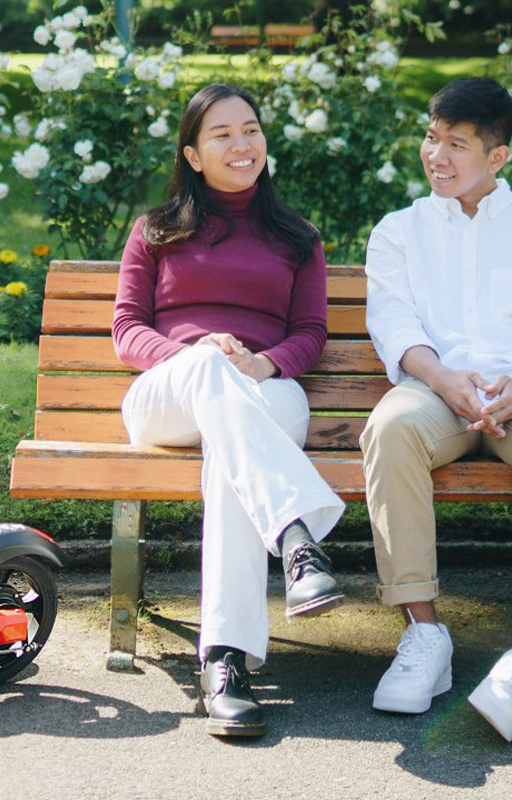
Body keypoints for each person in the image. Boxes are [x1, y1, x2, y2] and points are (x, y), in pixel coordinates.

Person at [112, 83, 346, 738]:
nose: (242, 144)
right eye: (222, 134)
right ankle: (297, 538)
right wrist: (197, 355)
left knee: (231, 462)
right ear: (191, 153)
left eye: (251, 129)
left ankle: (224, 661)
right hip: (170, 392)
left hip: (265, 391)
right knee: (213, 374)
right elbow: (128, 329)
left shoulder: (298, 237)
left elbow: (310, 332)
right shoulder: (155, 231)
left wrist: (264, 364)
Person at [361, 77, 512, 741]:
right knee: (391, 427)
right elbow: (394, 323)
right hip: (434, 392)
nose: (437, 155)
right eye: (432, 137)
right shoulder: (397, 232)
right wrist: (444, 380)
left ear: (498, 156)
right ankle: (424, 635)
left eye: (456, 144)